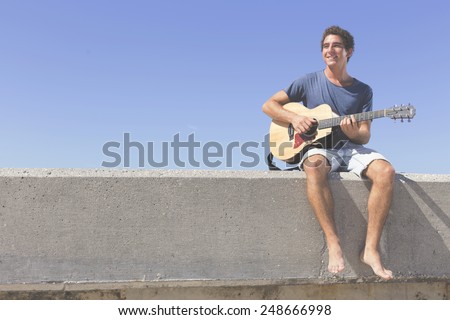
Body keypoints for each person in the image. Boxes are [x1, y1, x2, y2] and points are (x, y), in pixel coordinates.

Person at [262, 26, 395, 280]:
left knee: (386, 171)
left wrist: (353, 131)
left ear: (349, 52)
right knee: (313, 166)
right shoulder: (307, 81)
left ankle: (370, 249)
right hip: (320, 148)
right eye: (325, 46)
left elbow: (365, 135)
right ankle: (333, 243)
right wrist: (294, 119)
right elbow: (268, 105)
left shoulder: (363, 90)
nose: (329, 50)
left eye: (336, 46)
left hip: (350, 148)